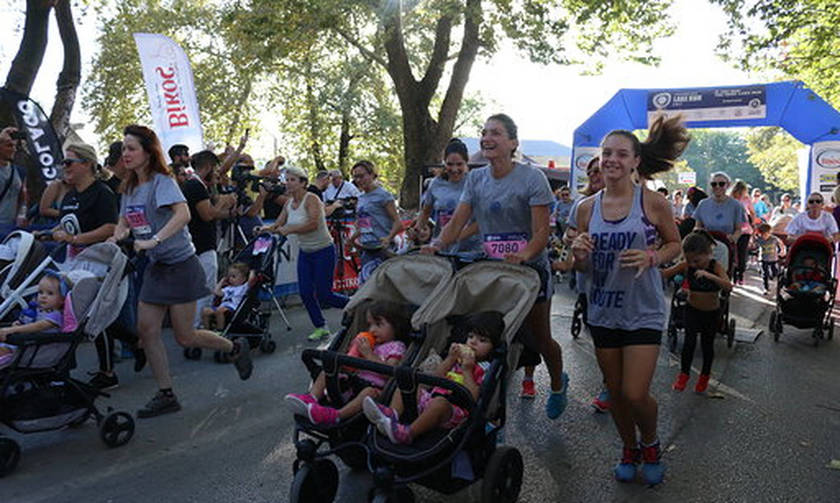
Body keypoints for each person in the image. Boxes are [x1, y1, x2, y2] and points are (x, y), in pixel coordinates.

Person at [424, 113, 569, 420]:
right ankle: (486, 406)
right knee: (485, 341)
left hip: (529, 273)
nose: (487, 138)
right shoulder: (476, 178)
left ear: (513, 143)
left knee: (540, 338)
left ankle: (558, 383)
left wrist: (524, 254)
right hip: (489, 271)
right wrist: (437, 244)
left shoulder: (532, 178)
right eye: (484, 132)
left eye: (496, 133)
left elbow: (542, 232)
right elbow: (457, 222)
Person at [571, 115, 687, 485]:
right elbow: (583, 264)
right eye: (607, 153)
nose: (612, 160)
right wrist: (578, 250)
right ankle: (628, 447)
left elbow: (675, 245)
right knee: (617, 394)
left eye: (621, 154)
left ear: (636, 161)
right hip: (603, 309)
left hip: (643, 310)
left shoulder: (652, 203)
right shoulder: (586, 208)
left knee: (635, 393)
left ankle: (649, 442)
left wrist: (653, 257)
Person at [109, 124, 253, 418]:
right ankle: (166, 393)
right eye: (123, 148)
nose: (125, 153)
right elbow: (125, 220)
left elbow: (184, 213)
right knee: (147, 330)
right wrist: (118, 234)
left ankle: (234, 347)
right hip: (157, 266)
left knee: (185, 336)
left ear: (148, 153)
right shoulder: (129, 186)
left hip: (181, 265)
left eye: (131, 148)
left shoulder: (163, 181)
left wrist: (155, 239)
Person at [362, 311, 503, 444]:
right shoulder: (457, 360)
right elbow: (436, 377)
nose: (472, 342)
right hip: (431, 399)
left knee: (439, 403)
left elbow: (473, 397)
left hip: (454, 411)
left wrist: (467, 370)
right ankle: (391, 416)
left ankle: (408, 434)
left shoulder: (485, 367)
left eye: (482, 340)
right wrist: (450, 359)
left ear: (493, 347)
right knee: (406, 387)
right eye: (471, 337)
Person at [256, 166, 349, 341]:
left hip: (324, 251)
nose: (288, 183)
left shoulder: (311, 199)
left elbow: (313, 224)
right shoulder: (289, 203)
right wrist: (264, 229)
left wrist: (289, 229)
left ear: (303, 183)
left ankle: (354, 306)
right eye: (287, 179)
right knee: (305, 292)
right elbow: (277, 225)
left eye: (292, 180)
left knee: (325, 295)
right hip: (306, 252)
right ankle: (321, 327)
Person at [284, 300, 410, 424]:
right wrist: (354, 352)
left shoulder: (397, 346)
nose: (371, 330)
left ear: (396, 325)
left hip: (374, 388)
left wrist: (369, 355)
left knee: (369, 394)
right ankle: (311, 399)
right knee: (327, 371)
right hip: (352, 382)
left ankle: (337, 415)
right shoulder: (370, 344)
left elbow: (390, 371)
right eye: (369, 325)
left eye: (378, 324)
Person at [562, 156, 611, 412]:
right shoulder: (580, 205)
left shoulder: (625, 203)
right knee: (599, 335)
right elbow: (568, 234)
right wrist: (572, 239)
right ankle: (610, 383)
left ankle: (613, 383)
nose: (594, 175)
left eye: (598, 170)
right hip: (588, 280)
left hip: (618, 282)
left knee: (615, 336)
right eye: (590, 171)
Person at [662, 231, 732, 393]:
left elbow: (728, 286)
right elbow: (667, 273)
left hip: (711, 313)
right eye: (689, 260)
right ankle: (684, 374)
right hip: (692, 310)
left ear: (708, 253)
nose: (693, 264)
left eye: (697, 260)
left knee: (707, 346)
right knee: (689, 343)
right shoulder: (687, 265)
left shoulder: (715, 266)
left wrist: (709, 276)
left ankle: (704, 376)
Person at [182, 150, 236, 328]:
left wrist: (227, 212)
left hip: (196, 243)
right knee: (206, 287)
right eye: (214, 168)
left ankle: (196, 324)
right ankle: (198, 326)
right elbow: (207, 215)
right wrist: (223, 202)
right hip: (202, 245)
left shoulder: (193, 185)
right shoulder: (195, 186)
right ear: (208, 167)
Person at [52, 140, 118, 262]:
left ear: (87, 164)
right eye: (63, 163)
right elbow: (67, 223)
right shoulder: (69, 196)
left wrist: (75, 239)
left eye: (68, 163)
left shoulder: (102, 192)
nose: (64, 167)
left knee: (48, 281)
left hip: (96, 262)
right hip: (72, 260)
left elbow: (110, 227)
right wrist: (48, 233)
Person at [413, 138, 481, 254]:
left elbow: (482, 221)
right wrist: (417, 228)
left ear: (466, 162)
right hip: (442, 247)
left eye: (459, 164)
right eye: (450, 164)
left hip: (471, 249)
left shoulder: (475, 183)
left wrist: (457, 235)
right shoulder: (435, 184)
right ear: (444, 162)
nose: (454, 169)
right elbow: (425, 212)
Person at [351, 160, 404, 281]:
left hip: (384, 249)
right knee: (365, 287)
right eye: (355, 177)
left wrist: (388, 238)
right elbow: (363, 224)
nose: (359, 180)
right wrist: (352, 239)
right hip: (367, 249)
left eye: (361, 176)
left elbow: (398, 223)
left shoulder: (383, 196)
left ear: (372, 175)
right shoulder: (360, 198)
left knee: (383, 288)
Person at [0, 272, 67, 368]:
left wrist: (12, 330)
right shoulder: (38, 311)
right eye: (40, 292)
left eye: (50, 293)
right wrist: (17, 324)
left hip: (34, 349)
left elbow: (37, 326)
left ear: (62, 299)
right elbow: (28, 325)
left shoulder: (55, 316)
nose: (43, 296)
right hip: (23, 344)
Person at [693, 173, 746, 275]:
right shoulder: (703, 204)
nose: (717, 187)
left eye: (721, 184)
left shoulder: (736, 205)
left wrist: (734, 238)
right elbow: (697, 226)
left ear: (727, 185)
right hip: (706, 243)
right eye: (714, 184)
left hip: (725, 242)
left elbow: (738, 229)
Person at [201, 262, 249, 329]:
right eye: (229, 276)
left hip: (231, 308)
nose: (230, 279)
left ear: (243, 278)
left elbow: (251, 280)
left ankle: (220, 330)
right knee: (205, 311)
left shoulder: (243, 288)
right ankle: (207, 329)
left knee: (220, 311)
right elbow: (216, 292)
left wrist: (253, 271)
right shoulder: (227, 288)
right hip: (222, 307)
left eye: (233, 276)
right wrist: (221, 282)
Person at [0, 126, 27, 237]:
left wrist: (22, 215)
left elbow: (23, 196)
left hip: (9, 227)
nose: (14, 149)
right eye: (9, 145)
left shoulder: (19, 171)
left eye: (15, 146)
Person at [751, 223, 785, 295]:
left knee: (775, 272)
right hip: (763, 259)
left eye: (766, 234)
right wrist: (753, 236)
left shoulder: (774, 239)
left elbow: (781, 245)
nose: (764, 236)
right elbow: (753, 244)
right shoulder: (760, 240)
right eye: (762, 235)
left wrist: (781, 251)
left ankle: (772, 277)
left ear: (770, 233)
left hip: (774, 259)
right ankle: (766, 288)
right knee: (765, 274)